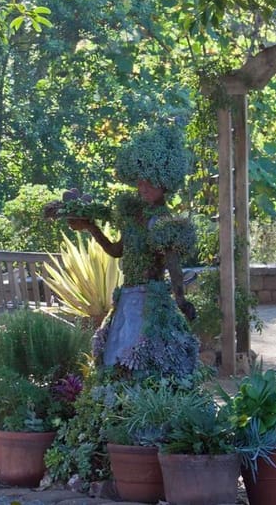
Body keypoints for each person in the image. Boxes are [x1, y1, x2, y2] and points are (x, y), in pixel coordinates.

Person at [61, 123, 198, 379]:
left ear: (164, 183)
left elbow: (173, 264)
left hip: (150, 299)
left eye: (150, 183)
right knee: (116, 355)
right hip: (126, 297)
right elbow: (115, 251)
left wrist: (180, 300)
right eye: (140, 183)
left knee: (142, 356)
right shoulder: (132, 217)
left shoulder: (165, 222)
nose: (143, 188)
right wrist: (92, 227)